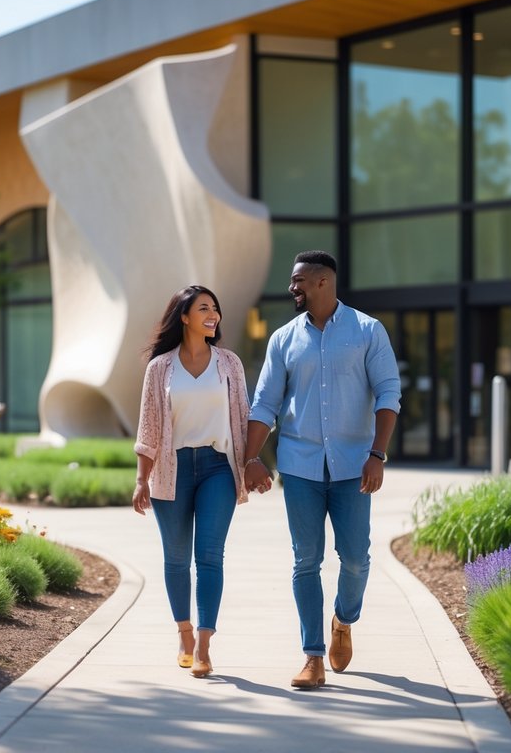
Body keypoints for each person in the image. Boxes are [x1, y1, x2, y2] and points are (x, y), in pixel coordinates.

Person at [243, 251, 400, 689]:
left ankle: (344, 620)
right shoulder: (283, 339)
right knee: (305, 561)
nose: (291, 288)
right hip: (299, 466)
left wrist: (377, 454)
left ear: (323, 282)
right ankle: (312, 656)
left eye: (298, 281)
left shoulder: (368, 331)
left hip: (354, 467)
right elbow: (265, 404)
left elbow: (388, 393)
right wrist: (250, 459)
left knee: (355, 559)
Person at [133, 285, 250, 678]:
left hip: (218, 466)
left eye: (215, 308)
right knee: (177, 558)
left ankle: (203, 642)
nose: (213, 314)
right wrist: (141, 478)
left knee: (210, 556)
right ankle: (183, 630)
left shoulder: (230, 363)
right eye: (204, 308)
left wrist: (252, 462)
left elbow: (244, 417)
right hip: (173, 468)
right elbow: (148, 426)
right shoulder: (160, 368)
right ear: (184, 317)